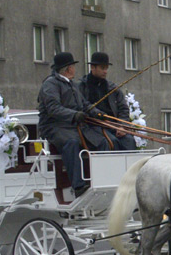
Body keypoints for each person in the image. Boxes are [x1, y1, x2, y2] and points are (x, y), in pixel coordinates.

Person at [37, 52, 109, 198]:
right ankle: (78, 186)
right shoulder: (50, 84)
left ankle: (102, 181)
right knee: (72, 142)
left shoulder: (72, 84)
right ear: (69, 68)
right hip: (55, 126)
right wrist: (74, 115)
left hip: (73, 125)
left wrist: (97, 113)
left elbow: (84, 104)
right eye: (73, 66)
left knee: (101, 141)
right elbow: (53, 108)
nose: (75, 69)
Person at [76, 51, 136, 150]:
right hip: (92, 126)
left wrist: (122, 126)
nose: (105, 71)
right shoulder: (81, 87)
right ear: (93, 67)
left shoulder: (112, 88)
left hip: (113, 125)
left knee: (129, 141)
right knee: (112, 142)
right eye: (102, 68)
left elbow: (123, 108)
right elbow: (83, 105)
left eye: (106, 68)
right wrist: (98, 114)